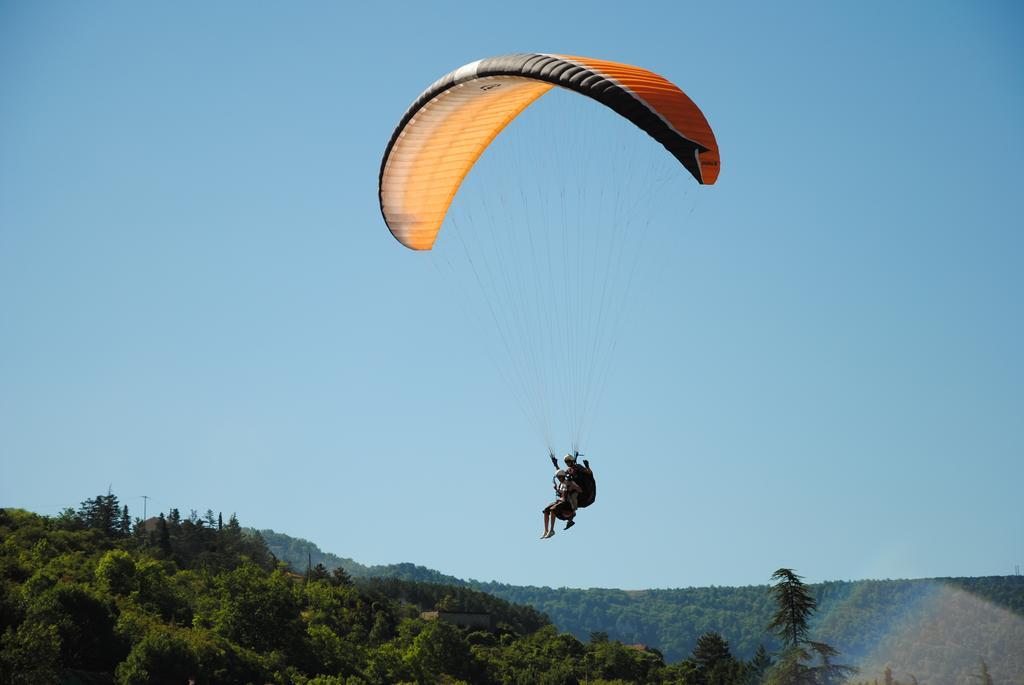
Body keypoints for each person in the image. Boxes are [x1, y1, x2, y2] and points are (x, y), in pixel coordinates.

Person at [541, 469, 581, 539]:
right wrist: (556, 489)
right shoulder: (561, 484)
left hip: (567, 503)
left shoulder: (569, 482)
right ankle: (546, 530)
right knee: (546, 510)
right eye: (558, 478)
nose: (559, 479)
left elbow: (580, 490)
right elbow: (561, 493)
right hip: (560, 501)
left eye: (560, 477)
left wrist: (572, 487)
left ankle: (552, 530)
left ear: (563, 476)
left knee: (553, 509)